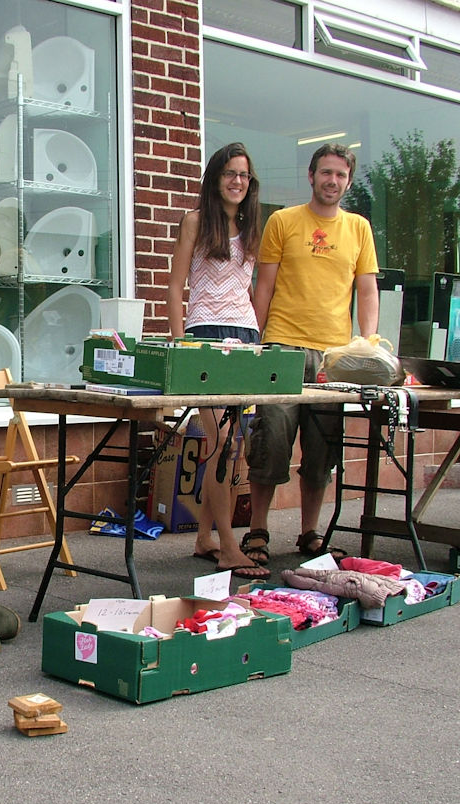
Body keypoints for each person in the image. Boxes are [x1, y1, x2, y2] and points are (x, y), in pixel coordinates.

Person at [241, 142, 379, 566]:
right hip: (282, 349)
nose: (332, 181)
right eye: (325, 173)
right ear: (311, 175)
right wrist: (256, 341)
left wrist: (367, 343)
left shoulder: (359, 229)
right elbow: (262, 286)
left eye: (340, 174)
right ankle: (257, 532)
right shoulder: (283, 221)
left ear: (348, 181)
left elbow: (368, 289)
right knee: (272, 443)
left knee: (322, 451)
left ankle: (309, 534)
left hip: (335, 359)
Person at [166, 142, 269, 578]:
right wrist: (179, 346)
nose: (237, 181)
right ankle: (229, 547)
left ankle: (204, 537)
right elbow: (174, 289)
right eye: (230, 173)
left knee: (232, 446)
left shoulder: (251, 226)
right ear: (215, 177)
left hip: (245, 340)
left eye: (244, 175)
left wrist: (260, 342)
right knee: (222, 444)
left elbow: (247, 290)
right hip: (204, 339)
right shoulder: (194, 221)